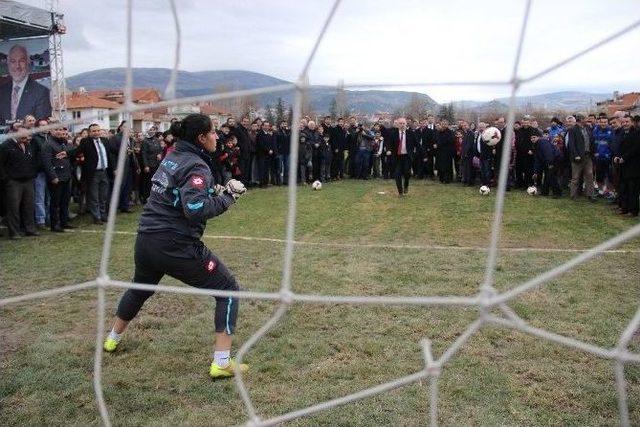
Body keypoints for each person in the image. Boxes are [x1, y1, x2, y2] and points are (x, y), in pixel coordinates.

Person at [102, 113, 249, 379]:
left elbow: (176, 193)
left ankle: (112, 337)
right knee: (227, 289)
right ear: (201, 138)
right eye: (214, 133)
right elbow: (195, 209)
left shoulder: (172, 156)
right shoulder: (196, 165)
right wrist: (228, 197)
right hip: (174, 244)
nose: (218, 137)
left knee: (139, 288)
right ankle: (222, 362)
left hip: (146, 239)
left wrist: (212, 190)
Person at [0, 124, 40, 239]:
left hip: (28, 180)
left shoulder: (28, 145)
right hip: (13, 182)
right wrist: (6, 179)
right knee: (13, 208)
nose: (25, 137)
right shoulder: (5, 146)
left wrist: (33, 174)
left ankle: (30, 229)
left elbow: (33, 161)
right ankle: (14, 232)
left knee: (29, 206)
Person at [0, 44, 52, 124]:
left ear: (28, 62)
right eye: (13, 61)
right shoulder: (2, 91)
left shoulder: (41, 92)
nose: (17, 66)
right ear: (8, 64)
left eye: (21, 61)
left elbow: (42, 124)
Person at [41, 123, 75, 231]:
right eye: (57, 129)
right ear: (51, 131)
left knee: (65, 201)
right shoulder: (48, 144)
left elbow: (70, 156)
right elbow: (47, 163)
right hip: (57, 177)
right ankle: (54, 225)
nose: (60, 131)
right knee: (55, 203)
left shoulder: (64, 143)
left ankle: (64, 222)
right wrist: (53, 177)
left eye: (61, 129)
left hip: (66, 176)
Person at [614, 116, 640, 217]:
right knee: (623, 188)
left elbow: (636, 149)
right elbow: (620, 147)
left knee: (632, 190)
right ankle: (624, 208)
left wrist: (624, 157)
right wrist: (617, 156)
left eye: (627, 122)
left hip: (634, 167)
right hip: (623, 166)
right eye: (623, 122)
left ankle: (633, 211)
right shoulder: (622, 133)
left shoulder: (637, 133)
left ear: (632, 122)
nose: (625, 123)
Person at [566, 115, 595, 201]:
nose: (588, 120)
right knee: (575, 177)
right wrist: (575, 155)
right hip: (577, 158)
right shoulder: (572, 130)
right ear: (581, 119)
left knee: (590, 176)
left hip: (588, 156)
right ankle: (573, 195)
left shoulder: (588, 128)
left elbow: (591, 141)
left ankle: (590, 195)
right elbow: (571, 144)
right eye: (586, 118)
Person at [389, 117, 416, 195]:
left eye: (403, 123)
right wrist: (388, 150)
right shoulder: (393, 133)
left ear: (406, 124)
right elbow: (389, 143)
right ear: (397, 124)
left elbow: (417, 144)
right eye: (400, 123)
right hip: (397, 157)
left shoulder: (411, 133)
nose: (402, 125)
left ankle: (406, 185)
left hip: (407, 157)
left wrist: (424, 155)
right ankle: (400, 191)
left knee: (407, 173)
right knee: (397, 174)